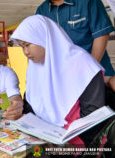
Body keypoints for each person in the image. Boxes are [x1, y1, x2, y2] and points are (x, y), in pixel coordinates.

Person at [11, 15, 106, 148]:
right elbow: (30, 106)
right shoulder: (35, 67)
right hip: (43, 136)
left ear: (43, 38)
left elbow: (93, 116)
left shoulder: (82, 64)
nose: (25, 52)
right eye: (22, 47)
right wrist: (18, 113)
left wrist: (65, 144)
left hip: (76, 140)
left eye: (27, 45)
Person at [32, 0, 115, 78]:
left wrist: (89, 70)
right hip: (66, 80)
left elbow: (101, 34)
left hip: (98, 74)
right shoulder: (41, 12)